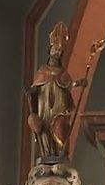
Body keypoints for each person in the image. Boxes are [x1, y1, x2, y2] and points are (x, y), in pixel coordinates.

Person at [26, 22, 88, 162]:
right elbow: (35, 88)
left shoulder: (63, 73)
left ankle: (59, 153)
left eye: (60, 51)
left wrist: (79, 83)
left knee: (60, 128)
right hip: (44, 106)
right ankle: (46, 153)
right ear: (50, 50)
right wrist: (31, 92)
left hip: (59, 107)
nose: (57, 52)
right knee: (44, 129)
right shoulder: (42, 71)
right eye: (55, 49)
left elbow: (69, 85)